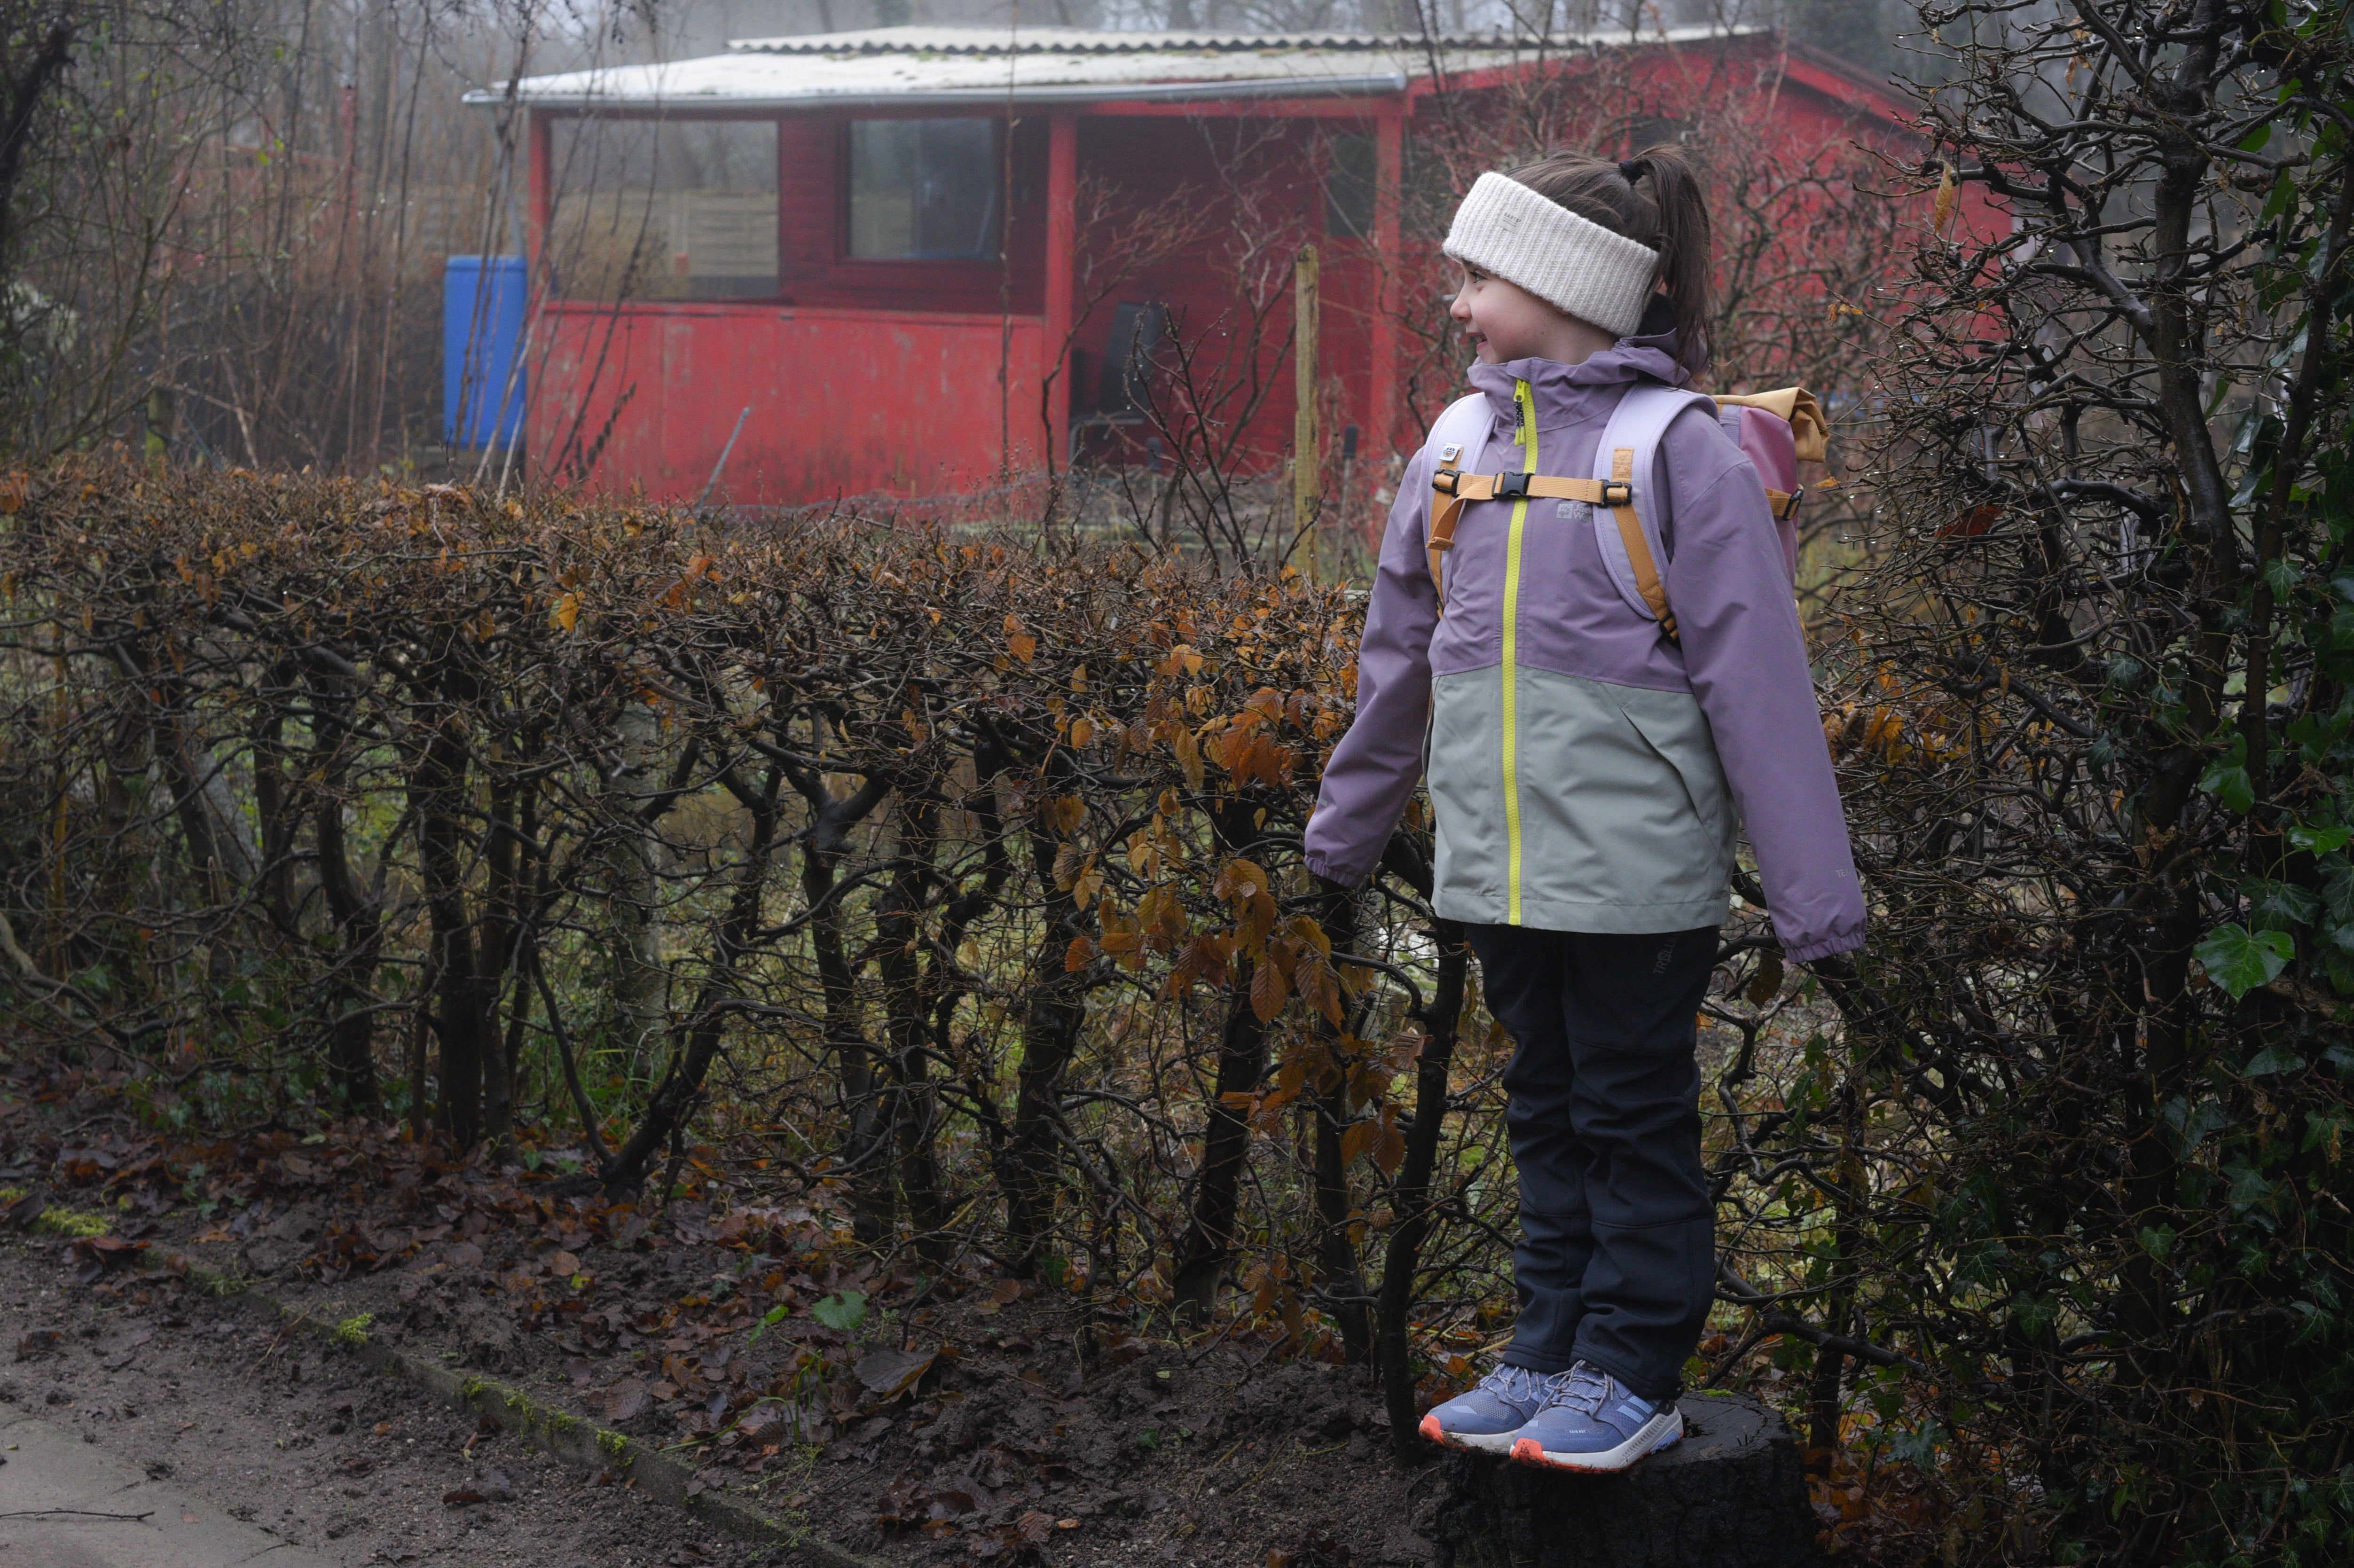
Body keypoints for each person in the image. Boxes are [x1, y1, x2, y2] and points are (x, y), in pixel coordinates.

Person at [1302, 149, 1865, 1474]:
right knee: (1545, 1111)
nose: (1456, 304)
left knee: (1629, 1116)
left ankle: (1634, 1373)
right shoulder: (1456, 450)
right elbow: (1396, 664)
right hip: (1501, 874)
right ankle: (1548, 1352)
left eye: (1478, 277)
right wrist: (1347, 829)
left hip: (1634, 881)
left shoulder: (1678, 452)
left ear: (1564, 286)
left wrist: (1817, 904)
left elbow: (1762, 691)